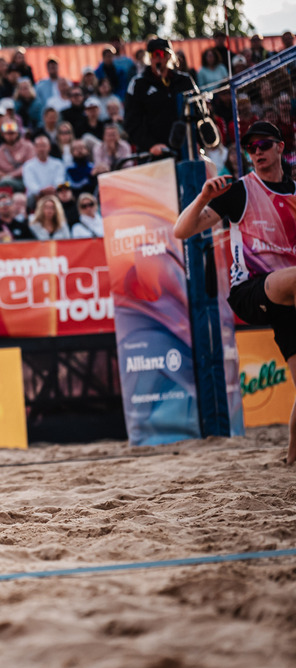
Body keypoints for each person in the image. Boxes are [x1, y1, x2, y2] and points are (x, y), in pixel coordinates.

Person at [174, 121, 296, 464]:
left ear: (280, 147)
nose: (256, 151)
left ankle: (290, 461)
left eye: (263, 145)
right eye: (251, 147)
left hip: (287, 298)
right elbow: (180, 231)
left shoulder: (294, 193)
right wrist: (203, 197)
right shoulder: (240, 190)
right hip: (252, 290)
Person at [124, 38, 198, 158]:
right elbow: (131, 121)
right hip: (155, 153)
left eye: (162, 54)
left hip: (186, 149)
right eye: (154, 54)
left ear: (169, 56)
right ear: (149, 57)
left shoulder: (184, 80)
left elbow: (198, 111)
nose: (158, 58)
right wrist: (150, 145)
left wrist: (197, 141)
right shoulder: (138, 84)